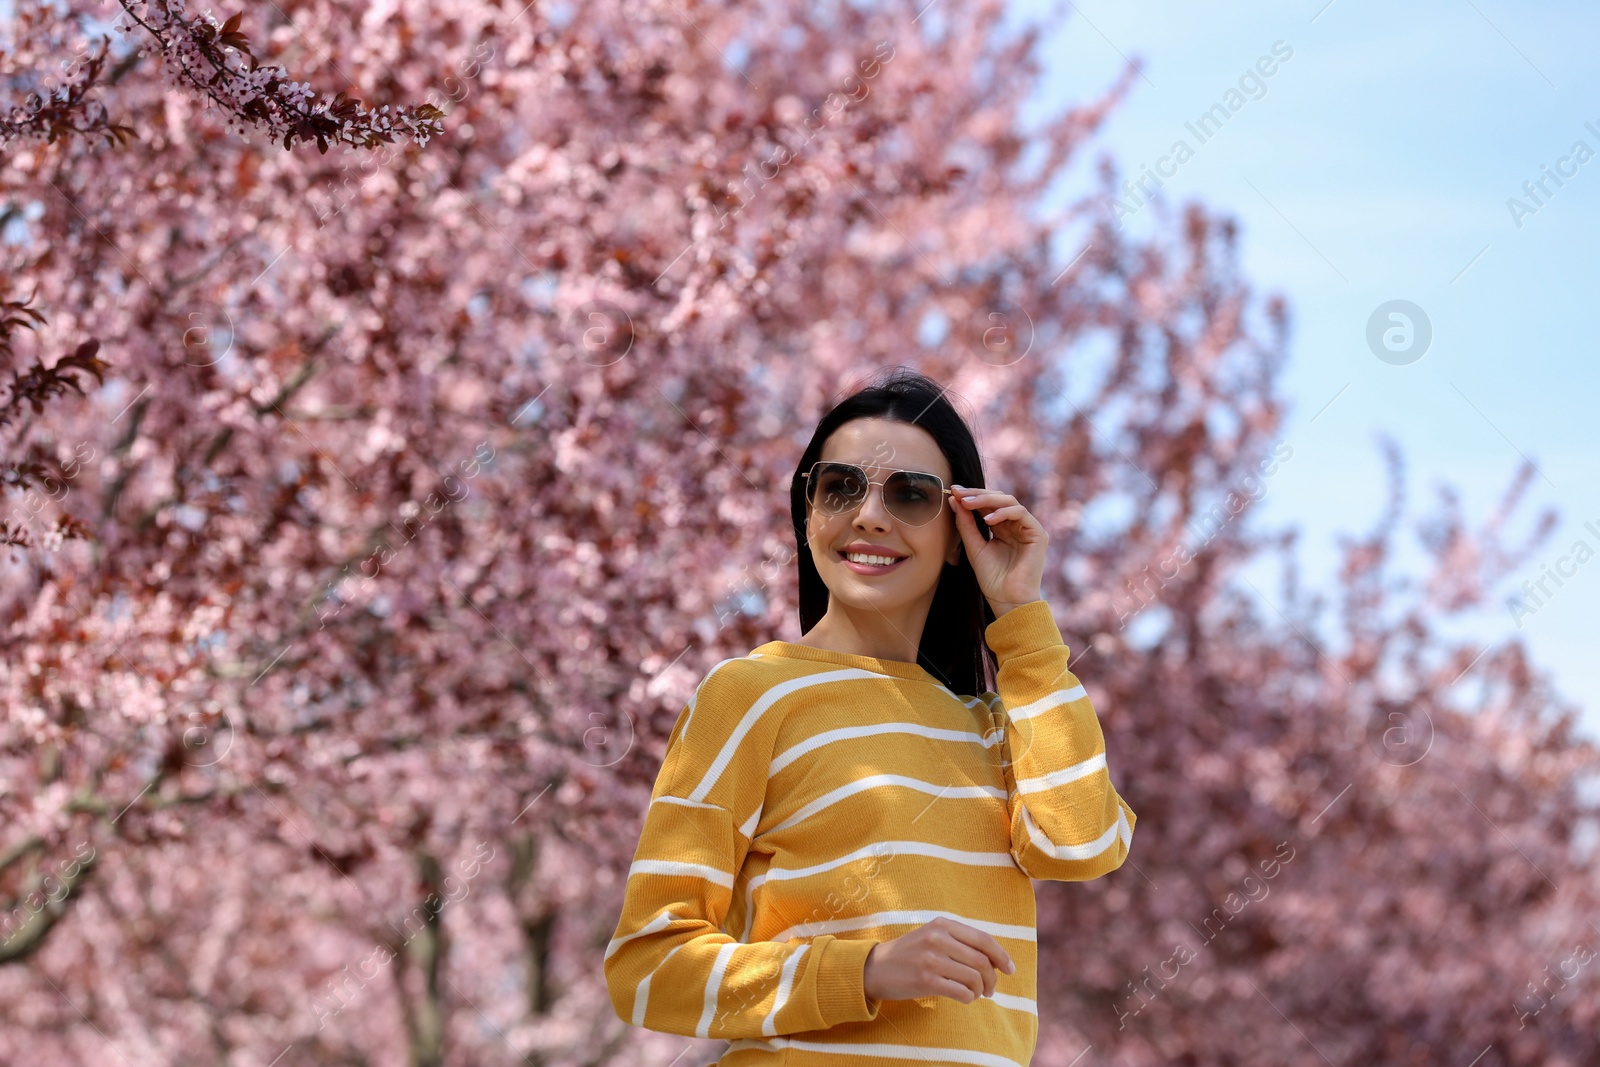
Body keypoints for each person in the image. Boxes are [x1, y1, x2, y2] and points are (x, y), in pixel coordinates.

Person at [604, 367, 1137, 1066]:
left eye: (911, 494)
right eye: (840, 487)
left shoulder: (998, 725)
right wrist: (865, 970)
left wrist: (1021, 617)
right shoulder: (752, 693)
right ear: (808, 513)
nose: (870, 515)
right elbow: (647, 969)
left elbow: (1081, 845)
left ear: (959, 535)